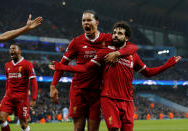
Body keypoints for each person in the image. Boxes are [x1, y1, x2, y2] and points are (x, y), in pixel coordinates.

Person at [49, 21, 181, 131]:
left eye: (120, 33)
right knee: (114, 129)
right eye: (115, 33)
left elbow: (149, 72)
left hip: (128, 101)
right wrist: (62, 67)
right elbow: (84, 68)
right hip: (108, 98)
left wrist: (167, 65)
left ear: (126, 38)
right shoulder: (104, 52)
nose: (116, 36)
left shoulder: (133, 55)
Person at [50, 10, 138, 131]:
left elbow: (132, 47)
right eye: (83, 20)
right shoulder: (76, 42)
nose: (86, 23)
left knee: (93, 129)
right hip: (78, 90)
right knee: (78, 127)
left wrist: (117, 53)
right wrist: (53, 86)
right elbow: (61, 65)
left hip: (96, 91)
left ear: (96, 22)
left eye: (89, 20)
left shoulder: (107, 39)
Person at [0, 43, 38, 131]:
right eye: (10, 49)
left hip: (21, 99)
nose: (11, 50)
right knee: (1, 118)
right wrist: (5, 96)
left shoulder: (27, 64)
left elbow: (34, 81)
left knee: (23, 124)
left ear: (19, 51)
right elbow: (8, 82)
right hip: (8, 98)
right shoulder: (7, 65)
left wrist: (34, 98)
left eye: (13, 49)